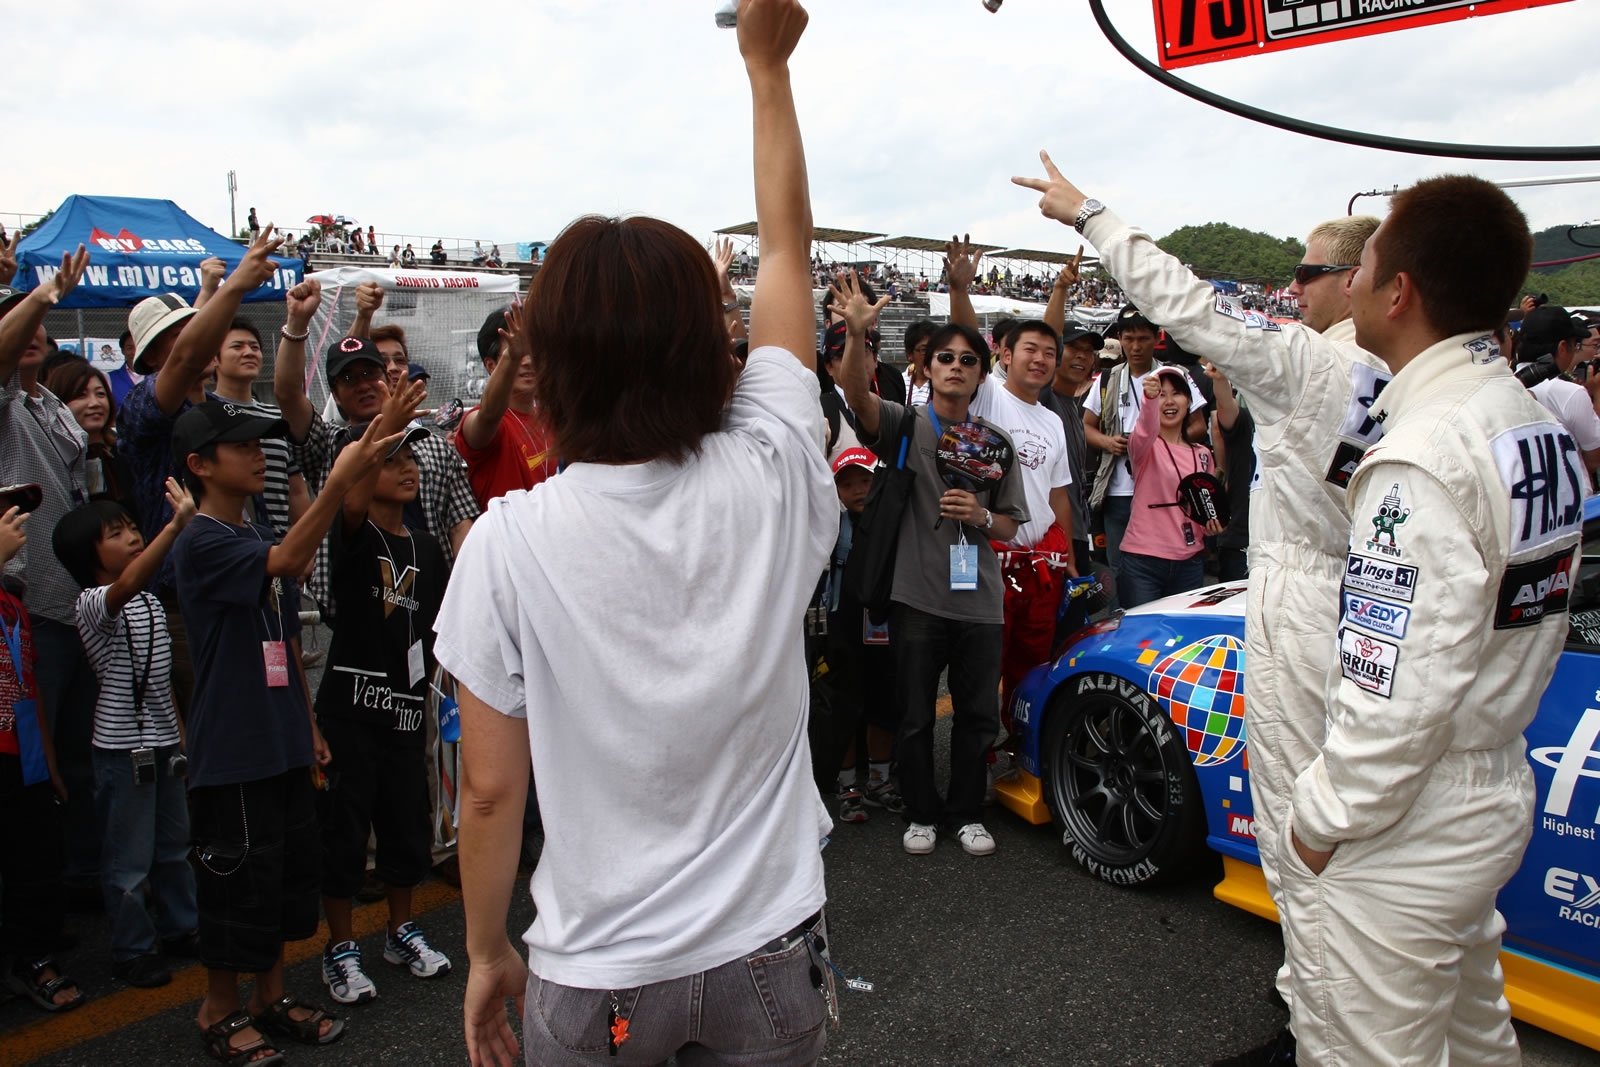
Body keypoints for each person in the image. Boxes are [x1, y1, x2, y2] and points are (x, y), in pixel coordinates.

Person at [444, 3, 840, 1063]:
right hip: (768, 943)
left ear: (550, 359)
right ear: (704, 344)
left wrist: (488, 954)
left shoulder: (506, 542)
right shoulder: (770, 463)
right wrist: (767, 72)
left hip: (597, 972)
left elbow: (487, 790)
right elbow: (790, 252)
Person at [1013, 152, 1394, 1064]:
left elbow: (1192, 306)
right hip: (1377, 603)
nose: (1291, 289)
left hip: (1309, 603)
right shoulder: (1423, 375)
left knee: (1303, 834)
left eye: (1303, 273)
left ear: (1356, 280)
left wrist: (1089, 214)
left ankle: (1322, 1033)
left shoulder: (1315, 365)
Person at [173, 401, 399, 1065]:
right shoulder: (205, 539)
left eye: (258, 443)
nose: (256, 454)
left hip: (281, 739)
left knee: (281, 879)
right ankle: (219, 1004)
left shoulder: (249, 534)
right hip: (234, 747)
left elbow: (283, 639)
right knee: (236, 882)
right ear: (199, 464)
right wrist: (335, 481)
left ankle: (269, 996)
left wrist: (306, 723)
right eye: (240, 445)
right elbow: (293, 558)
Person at [839, 291, 1028, 858]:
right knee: (916, 715)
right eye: (944, 358)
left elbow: (1012, 525)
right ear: (925, 367)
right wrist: (855, 335)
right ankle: (921, 811)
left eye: (968, 361)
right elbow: (855, 396)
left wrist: (982, 514)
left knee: (975, 716)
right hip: (916, 596)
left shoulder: (997, 444)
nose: (956, 367)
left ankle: (966, 811)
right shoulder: (903, 424)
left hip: (980, 601)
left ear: (979, 376)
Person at [315, 384, 453, 1005]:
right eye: (392, 459)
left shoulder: (425, 547)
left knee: (405, 825)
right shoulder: (351, 537)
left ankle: (401, 930)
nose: (407, 468)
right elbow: (344, 496)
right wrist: (377, 437)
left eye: (410, 458)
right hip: (349, 714)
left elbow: (438, 628)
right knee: (345, 832)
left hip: (406, 715)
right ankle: (340, 947)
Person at [53, 480, 199, 990]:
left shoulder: (150, 604)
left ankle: (181, 927)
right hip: (120, 748)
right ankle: (131, 950)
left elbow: (160, 682)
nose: (133, 537)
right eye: (117, 534)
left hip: (161, 741)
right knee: (129, 857)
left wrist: (179, 736)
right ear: (86, 556)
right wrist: (174, 526)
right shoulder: (93, 602)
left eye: (132, 527)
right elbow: (129, 583)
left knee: (173, 845)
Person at [272, 282, 479, 614]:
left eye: (371, 372)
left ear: (389, 376)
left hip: (430, 605)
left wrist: (466, 597)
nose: (364, 384)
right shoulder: (328, 446)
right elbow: (286, 393)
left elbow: (460, 525)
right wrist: (297, 322)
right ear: (336, 396)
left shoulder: (435, 449)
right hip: (354, 612)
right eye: (349, 379)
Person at [0, 254, 103, 903]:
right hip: (26, 607)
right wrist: (38, 295)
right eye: (14, 320)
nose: (29, 327)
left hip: (78, 606)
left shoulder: (52, 407)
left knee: (83, 756)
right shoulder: (6, 402)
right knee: (34, 768)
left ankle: (81, 881)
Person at [0, 504, 84, 1013]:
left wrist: (48, 760)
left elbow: (27, 686)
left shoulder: (12, 601)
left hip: (22, 750)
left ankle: (30, 958)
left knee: (33, 857)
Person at [1080, 304, 1205, 607]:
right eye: (1129, 339)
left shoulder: (1174, 376)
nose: (1136, 347)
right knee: (1119, 568)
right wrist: (1109, 442)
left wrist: (1161, 443)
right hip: (1119, 489)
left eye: (1143, 339)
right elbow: (1086, 426)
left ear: (1156, 337)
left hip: (1167, 488)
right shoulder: (1108, 379)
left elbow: (1199, 425)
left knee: (1170, 562)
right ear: (1120, 339)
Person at [808, 446, 902, 823]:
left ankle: (880, 780)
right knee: (844, 704)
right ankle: (846, 784)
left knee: (884, 703)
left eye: (866, 480)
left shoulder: (891, 521)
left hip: (885, 622)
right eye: (848, 484)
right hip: (842, 623)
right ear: (836, 491)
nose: (859, 489)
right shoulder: (832, 524)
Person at [1116, 366, 1221, 607]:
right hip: (1143, 562)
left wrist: (1211, 526)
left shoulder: (1203, 454)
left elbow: (1207, 507)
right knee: (1142, 638)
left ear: (1188, 401)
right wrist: (1149, 400)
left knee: (1182, 639)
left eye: (1177, 393)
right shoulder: (1144, 446)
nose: (1169, 401)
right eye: (1162, 394)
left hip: (1190, 563)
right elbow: (1145, 430)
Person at [212, 318, 311, 536]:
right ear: (214, 358)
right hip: (233, 544)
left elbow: (295, 489)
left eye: (254, 347)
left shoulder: (276, 416)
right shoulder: (206, 413)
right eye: (237, 346)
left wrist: (309, 544)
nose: (249, 352)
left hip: (282, 547)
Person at [455, 306, 556, 508]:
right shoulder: (478, 421)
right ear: (491, 365)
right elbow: (489, 415)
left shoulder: (553, 419)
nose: (527, 361)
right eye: (517, 353)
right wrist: (512, 356)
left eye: (533, 350)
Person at [1515, 304, 1600, 472]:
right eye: (1574, 344)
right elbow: (1595, 458)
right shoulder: (1569, 392)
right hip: (1571, 494)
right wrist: (1597, 395)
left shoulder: (1510, 381)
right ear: (1562, 347)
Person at [46, 360, 136, 515]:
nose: (94, 403)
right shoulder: (53, 458)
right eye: (81, 396)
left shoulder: (126, 449)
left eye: (100, 394)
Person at [1204, 361, 1255, 583]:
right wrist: (1221, 379)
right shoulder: (1245, 422)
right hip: (1239, 537)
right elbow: (1225, 409)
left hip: (1280, 542)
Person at [106, 330, 142, 407]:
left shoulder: (158, 376)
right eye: (130, 348)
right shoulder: (110, 379)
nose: (134, 352)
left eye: (138, 347)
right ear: (123, 351)